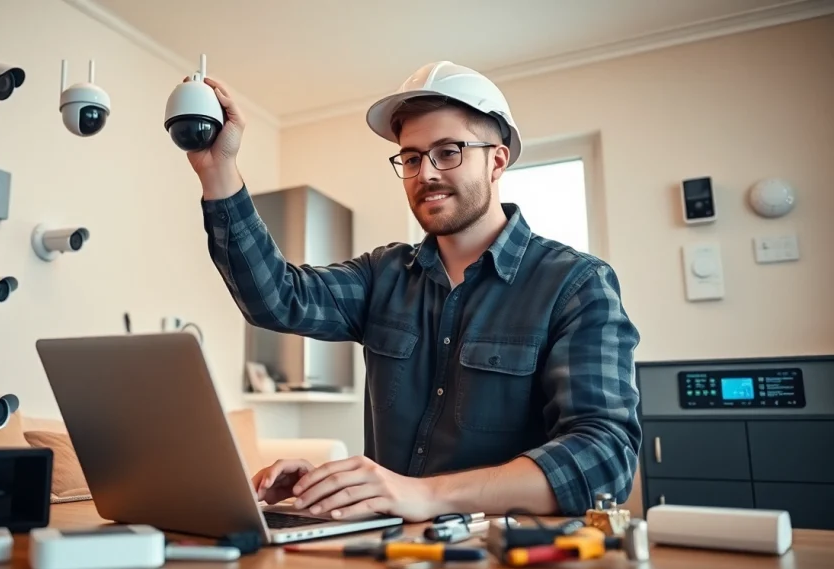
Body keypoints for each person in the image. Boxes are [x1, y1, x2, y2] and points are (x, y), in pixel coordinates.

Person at [186, 61, 641, 522]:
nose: (425, 173)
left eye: (448, 152)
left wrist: (426, 495)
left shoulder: (576, 284)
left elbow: (604, 457)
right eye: (411, 157)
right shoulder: (384, 274)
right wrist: (218, 170)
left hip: (503, 560)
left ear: (498, 160)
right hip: (387, 554)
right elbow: (277, 298)